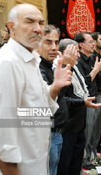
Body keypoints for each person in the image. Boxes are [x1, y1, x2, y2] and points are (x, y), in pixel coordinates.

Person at [0, 4, 72, 175]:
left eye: (40, 23)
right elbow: (1, 134)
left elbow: (30, 112)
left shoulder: (30, 60)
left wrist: (54, 87)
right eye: (30, 22)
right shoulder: (7, 62)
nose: (38, 29)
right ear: (12, 27)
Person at [74, 31, 101, 168]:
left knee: (94, 129)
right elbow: (84, 83)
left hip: (95, 95)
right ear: (81, 44)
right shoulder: (78, 60)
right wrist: (96, 69)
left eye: (94, 42)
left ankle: (91, 154)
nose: (94, 44)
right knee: (87, 131)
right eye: (90, 42)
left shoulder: (92, 57)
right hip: (85, 100)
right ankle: (84, 158)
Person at [37, 25, 67, 175]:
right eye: (48, 43)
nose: (54, 47)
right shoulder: (36, 67)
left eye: (56, 42)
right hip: (46, 134)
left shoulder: (49, 66)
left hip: (56, 132)